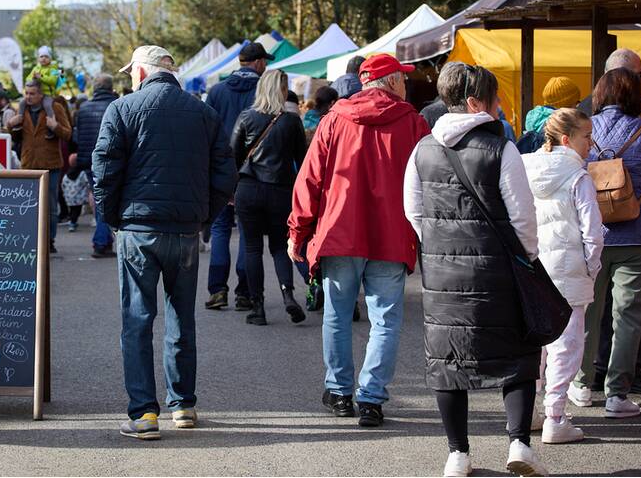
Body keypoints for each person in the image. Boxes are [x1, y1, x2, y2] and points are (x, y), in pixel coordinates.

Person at [403, 61, 546, 478]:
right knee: (518, 352)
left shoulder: (422, 149)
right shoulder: (501, 149)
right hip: (498, 270)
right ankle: (519, 443)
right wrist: (529, 259)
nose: (501, 107)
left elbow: (413, 210)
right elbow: (523, 217)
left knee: (447, 358)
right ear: (475, 102)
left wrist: (440, 245)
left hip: (443, 272)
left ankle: (457, 454)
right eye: (496, 98)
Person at [92, 45, 236, 441]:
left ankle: (144, 414)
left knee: (137, 321)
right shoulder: (203, 113)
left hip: (139, 228)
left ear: (140, 72)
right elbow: (226, 172)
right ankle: (183, 404)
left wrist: (112, 218)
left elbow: (103, 169)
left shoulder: (122, 109)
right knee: (180, 318)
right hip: (184, 229)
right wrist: (203, 216)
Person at [289, 54, 429, 427]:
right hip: (391, 234)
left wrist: (297, 231)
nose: (406, 83)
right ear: (392, 81)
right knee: (385, 320)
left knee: (337, 316)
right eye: (403, 77)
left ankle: (339, 393)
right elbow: (429, 181)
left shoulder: (335, 119)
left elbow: (310, 179)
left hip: (340, 233)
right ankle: (370, 398)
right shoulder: (413, 123)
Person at [568, 67, 641, 419]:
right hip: (638, 236)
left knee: (588, 311)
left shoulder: (587, 129)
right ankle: (617, 394)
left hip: (593, 233)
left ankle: (581, 384)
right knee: (628, 315)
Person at [522, 108, 605, 444]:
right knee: (567, 346)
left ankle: (529, 411)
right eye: (587, 136)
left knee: (536, 344)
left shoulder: (523, 168)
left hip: (532, 267)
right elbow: (593, 233)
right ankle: (556, 415)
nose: (591, 144)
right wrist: (591, 268)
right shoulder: (578, 176)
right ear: (567, 139)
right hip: (569, 269)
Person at [229, 69, 308, 326]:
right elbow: (303, 162)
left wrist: (230, 191)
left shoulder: (246, 117)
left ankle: (258, 307)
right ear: (283, 91)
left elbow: (232, 157)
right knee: (279, 248)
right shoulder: (292, 121)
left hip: (249, 189)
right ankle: (288, 296)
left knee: (252, 247)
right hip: (280, 191)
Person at [203, 42, 272, 311]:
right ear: (257, 63)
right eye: (264, 62)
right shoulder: (262, 92)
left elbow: (205, 131)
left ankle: (218, 290)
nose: (265, 66)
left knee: (220, 229)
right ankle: (245, 292)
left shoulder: (217, 91)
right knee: (247, 232)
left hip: (219, 169)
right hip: (253, 172)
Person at [9, 80, 72, 253]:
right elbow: (13, 137)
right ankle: (31, 239)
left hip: (50, 164)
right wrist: (10, 125)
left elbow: (67, 134)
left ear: (41, 94)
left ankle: (49, 240)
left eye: (32, 93)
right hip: (29, 164)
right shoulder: (22, 109)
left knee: (50, 205)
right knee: (28, 205)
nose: (28, 97)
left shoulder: (55, 108)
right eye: (26, 93)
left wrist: (55, 126)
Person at [73, 74, 119, 258]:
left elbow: (78, 138)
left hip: (89, 162)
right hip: (113, 161)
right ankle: (101, 241)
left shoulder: (83, 109)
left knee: (100, 200)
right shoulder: (118, 106)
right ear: (111, 87)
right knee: (107, 203)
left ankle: (104, 241)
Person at [518, 76, 582, 154]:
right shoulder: (561, 126)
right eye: (577, 102)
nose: (577, 107)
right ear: (568, 104)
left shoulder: (535, 119)